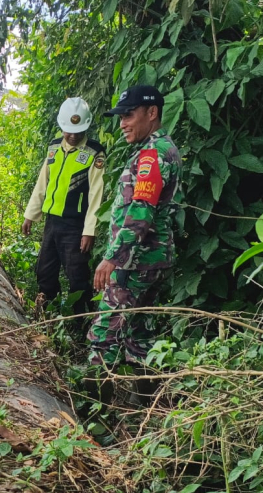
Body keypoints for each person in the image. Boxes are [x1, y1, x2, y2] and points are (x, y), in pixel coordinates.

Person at [88, 85, 183, 378]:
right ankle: (145, 412)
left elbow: (141, 213)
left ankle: (91, 417)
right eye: (120, 117)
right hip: (151, 260)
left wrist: (112, 258)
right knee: (138, 338)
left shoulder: (153, 155)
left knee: (103, 338)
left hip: (135, 263)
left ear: (151, 113)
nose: (122, 124)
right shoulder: (159, 150)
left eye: (128, 115)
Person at [22, 97, 106, 317]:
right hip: (52, 223)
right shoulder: (54, 148)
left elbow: (96, 195)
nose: (72, 136)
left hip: (76, 226)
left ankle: (80, 322)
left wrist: (89, 231)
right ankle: (48, 316)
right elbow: (43, 183)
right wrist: (30, 215)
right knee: (45, 272)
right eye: (68, 131)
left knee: (77, 276)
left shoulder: (94, 153)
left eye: (78, 131)